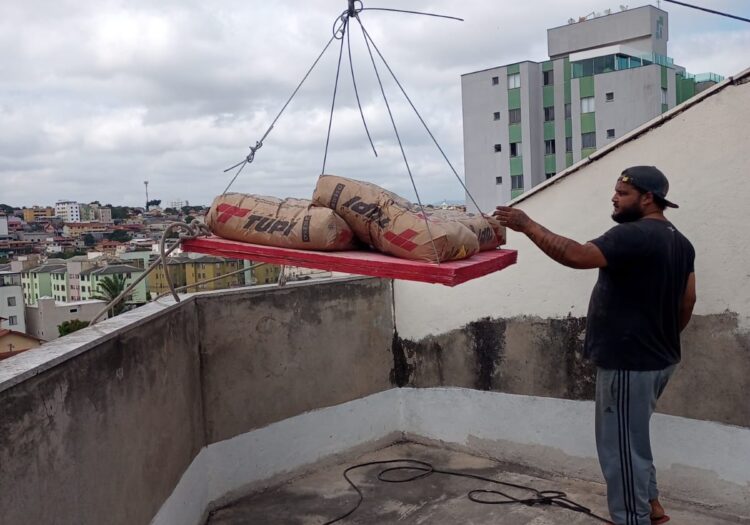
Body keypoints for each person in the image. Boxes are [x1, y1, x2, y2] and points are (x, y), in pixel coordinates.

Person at [493, 166, 696, 525]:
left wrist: (528, 226)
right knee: (635, 440)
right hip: (660, 360)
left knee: (620, 451)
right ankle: (652, 507)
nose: (614, 198)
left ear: (647, 198)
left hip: (629, 364)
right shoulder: (679, 241)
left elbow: (577, 255)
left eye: (622, 193)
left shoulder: (633, 235)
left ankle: (631, 518)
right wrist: (663, 337)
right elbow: (688, 301)